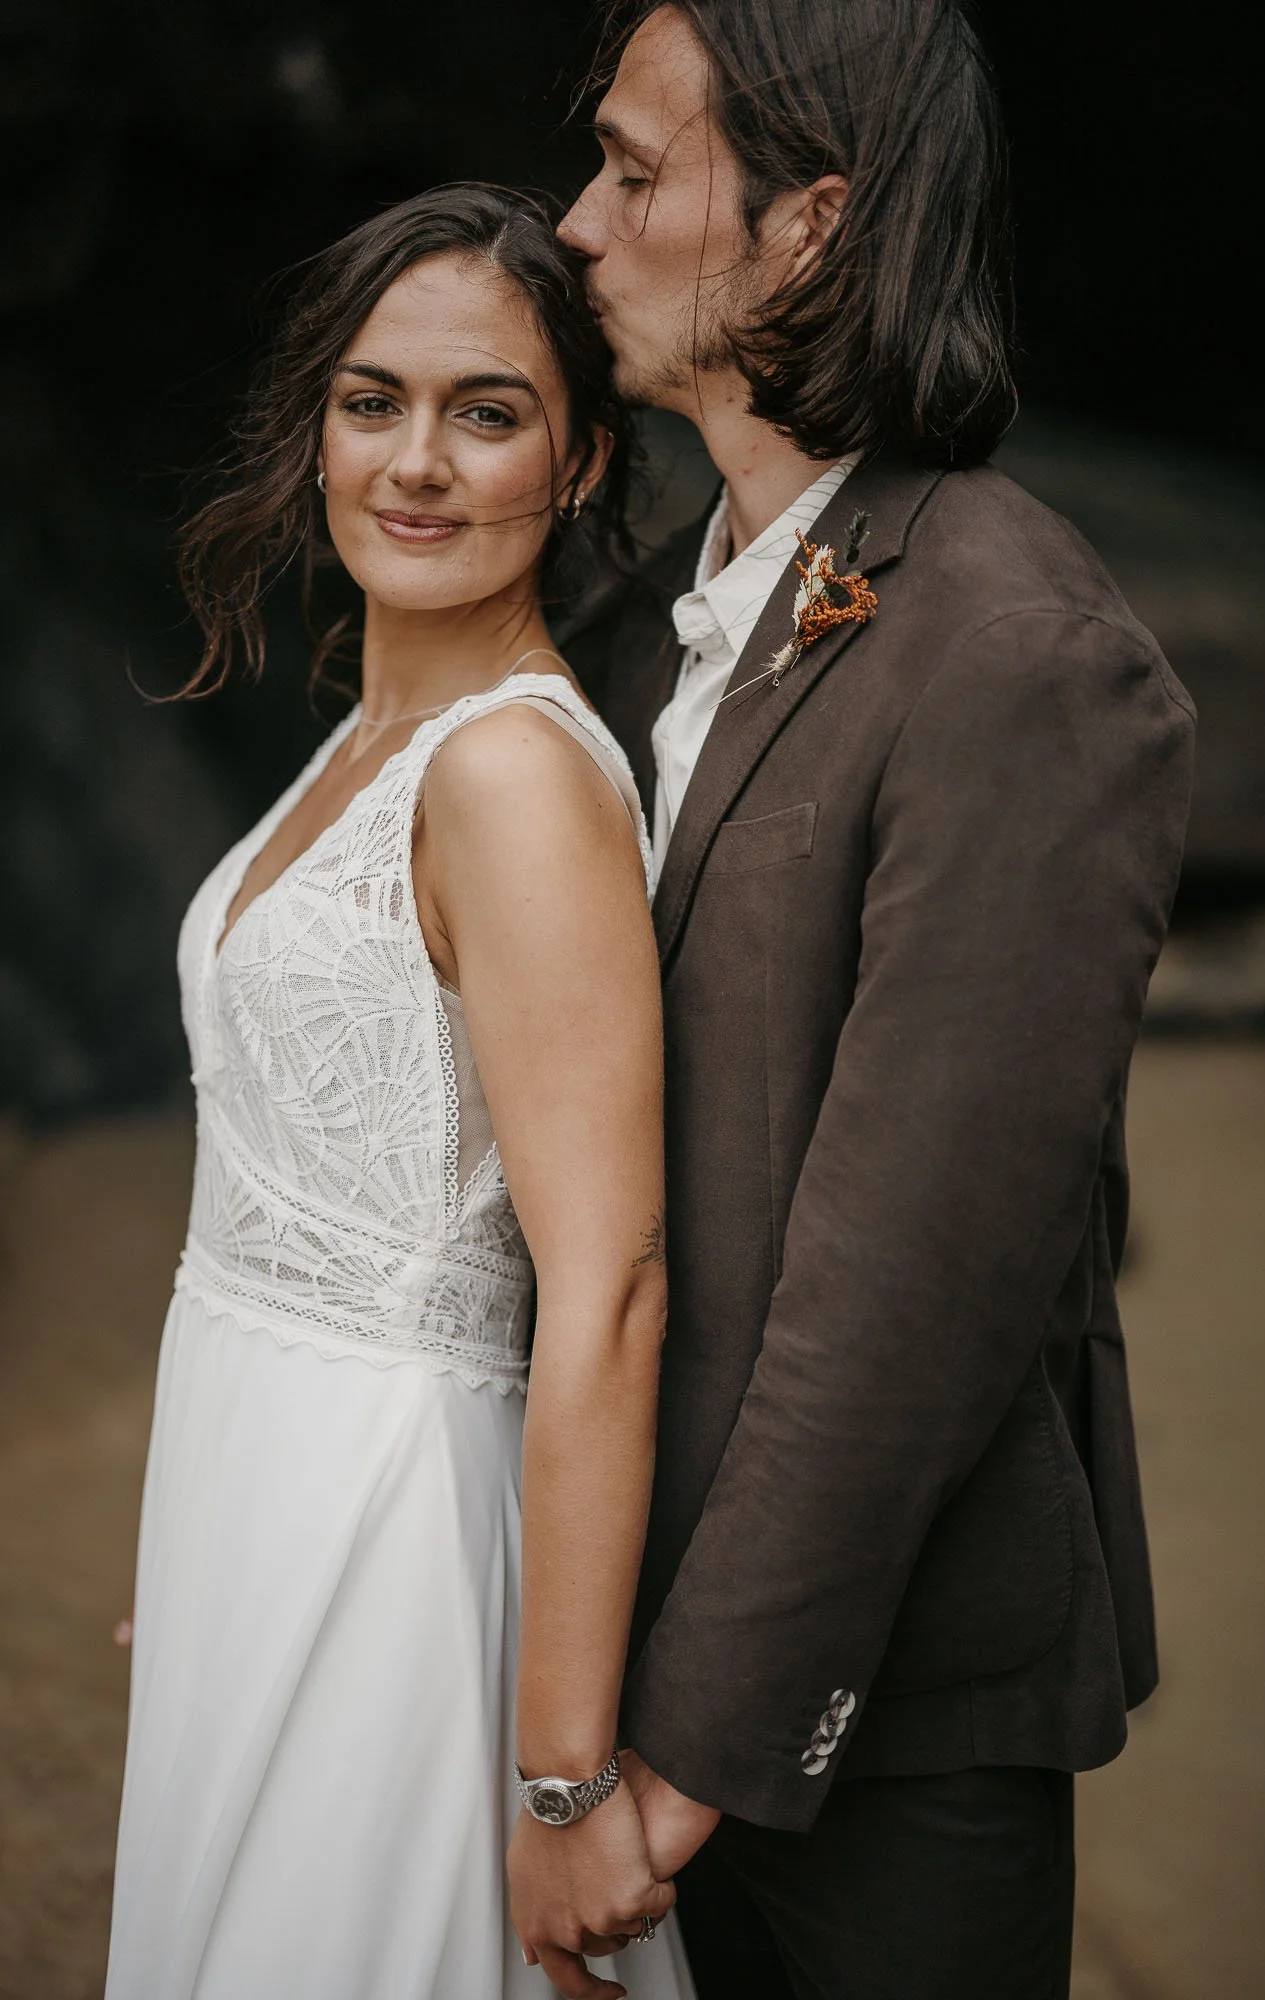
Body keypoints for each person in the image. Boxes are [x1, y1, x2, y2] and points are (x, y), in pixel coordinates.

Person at [549, 3, 1197, 1994]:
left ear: (811, 227)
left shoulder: (1016, 652)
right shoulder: (634, 629)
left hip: (877, 1726)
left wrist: (688, 1765)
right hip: (594, 1657)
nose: (578, 224)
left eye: (640, 172)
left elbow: (909, 1290)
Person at [105, 185, 696, 2000]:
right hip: (261, 1495)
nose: (416, 462)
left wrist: (556, 1773)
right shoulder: (365, 733)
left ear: (584, 461)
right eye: (372, 402)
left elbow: (606, 1288)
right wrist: (215, 1537)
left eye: (488, 411)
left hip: (401, 1538)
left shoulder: (512, 776)